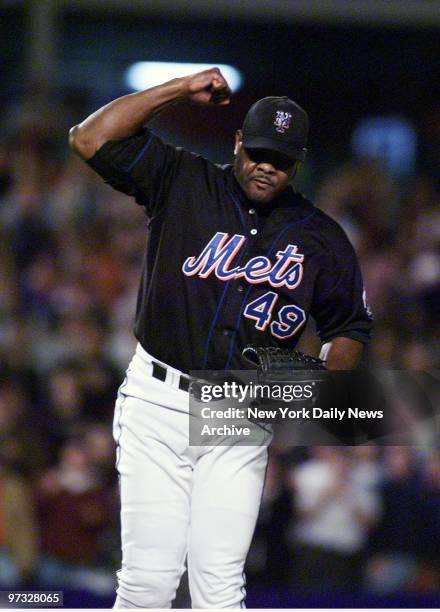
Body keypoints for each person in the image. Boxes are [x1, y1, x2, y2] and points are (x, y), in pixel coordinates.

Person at [69, 68, 372, 608]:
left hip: (241, 409)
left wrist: (325, 383)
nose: (265, 166)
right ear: (237, 142)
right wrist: (179, 90)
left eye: (280, 159)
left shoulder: (322, 238)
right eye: (258, 151)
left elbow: (349, 326)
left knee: (218, 588)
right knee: (148, 582)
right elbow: (89, 138)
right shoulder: (183, 180)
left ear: (297, 162)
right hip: (159, 396)